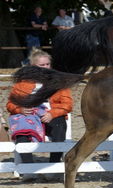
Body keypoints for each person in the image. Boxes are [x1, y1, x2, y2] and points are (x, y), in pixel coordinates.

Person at [6, 48, 73, 180]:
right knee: (22, 127)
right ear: (33, 66)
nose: (46, 67)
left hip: (49, 114)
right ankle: (28, 168)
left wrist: (53, 113)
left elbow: (67, 104)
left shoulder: (58, 81)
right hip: (28, 115)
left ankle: (53, 167)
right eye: (42, 65)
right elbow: (10, 104)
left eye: (48, 64)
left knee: (59, 125)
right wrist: (20, 110)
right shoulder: (22, 83)